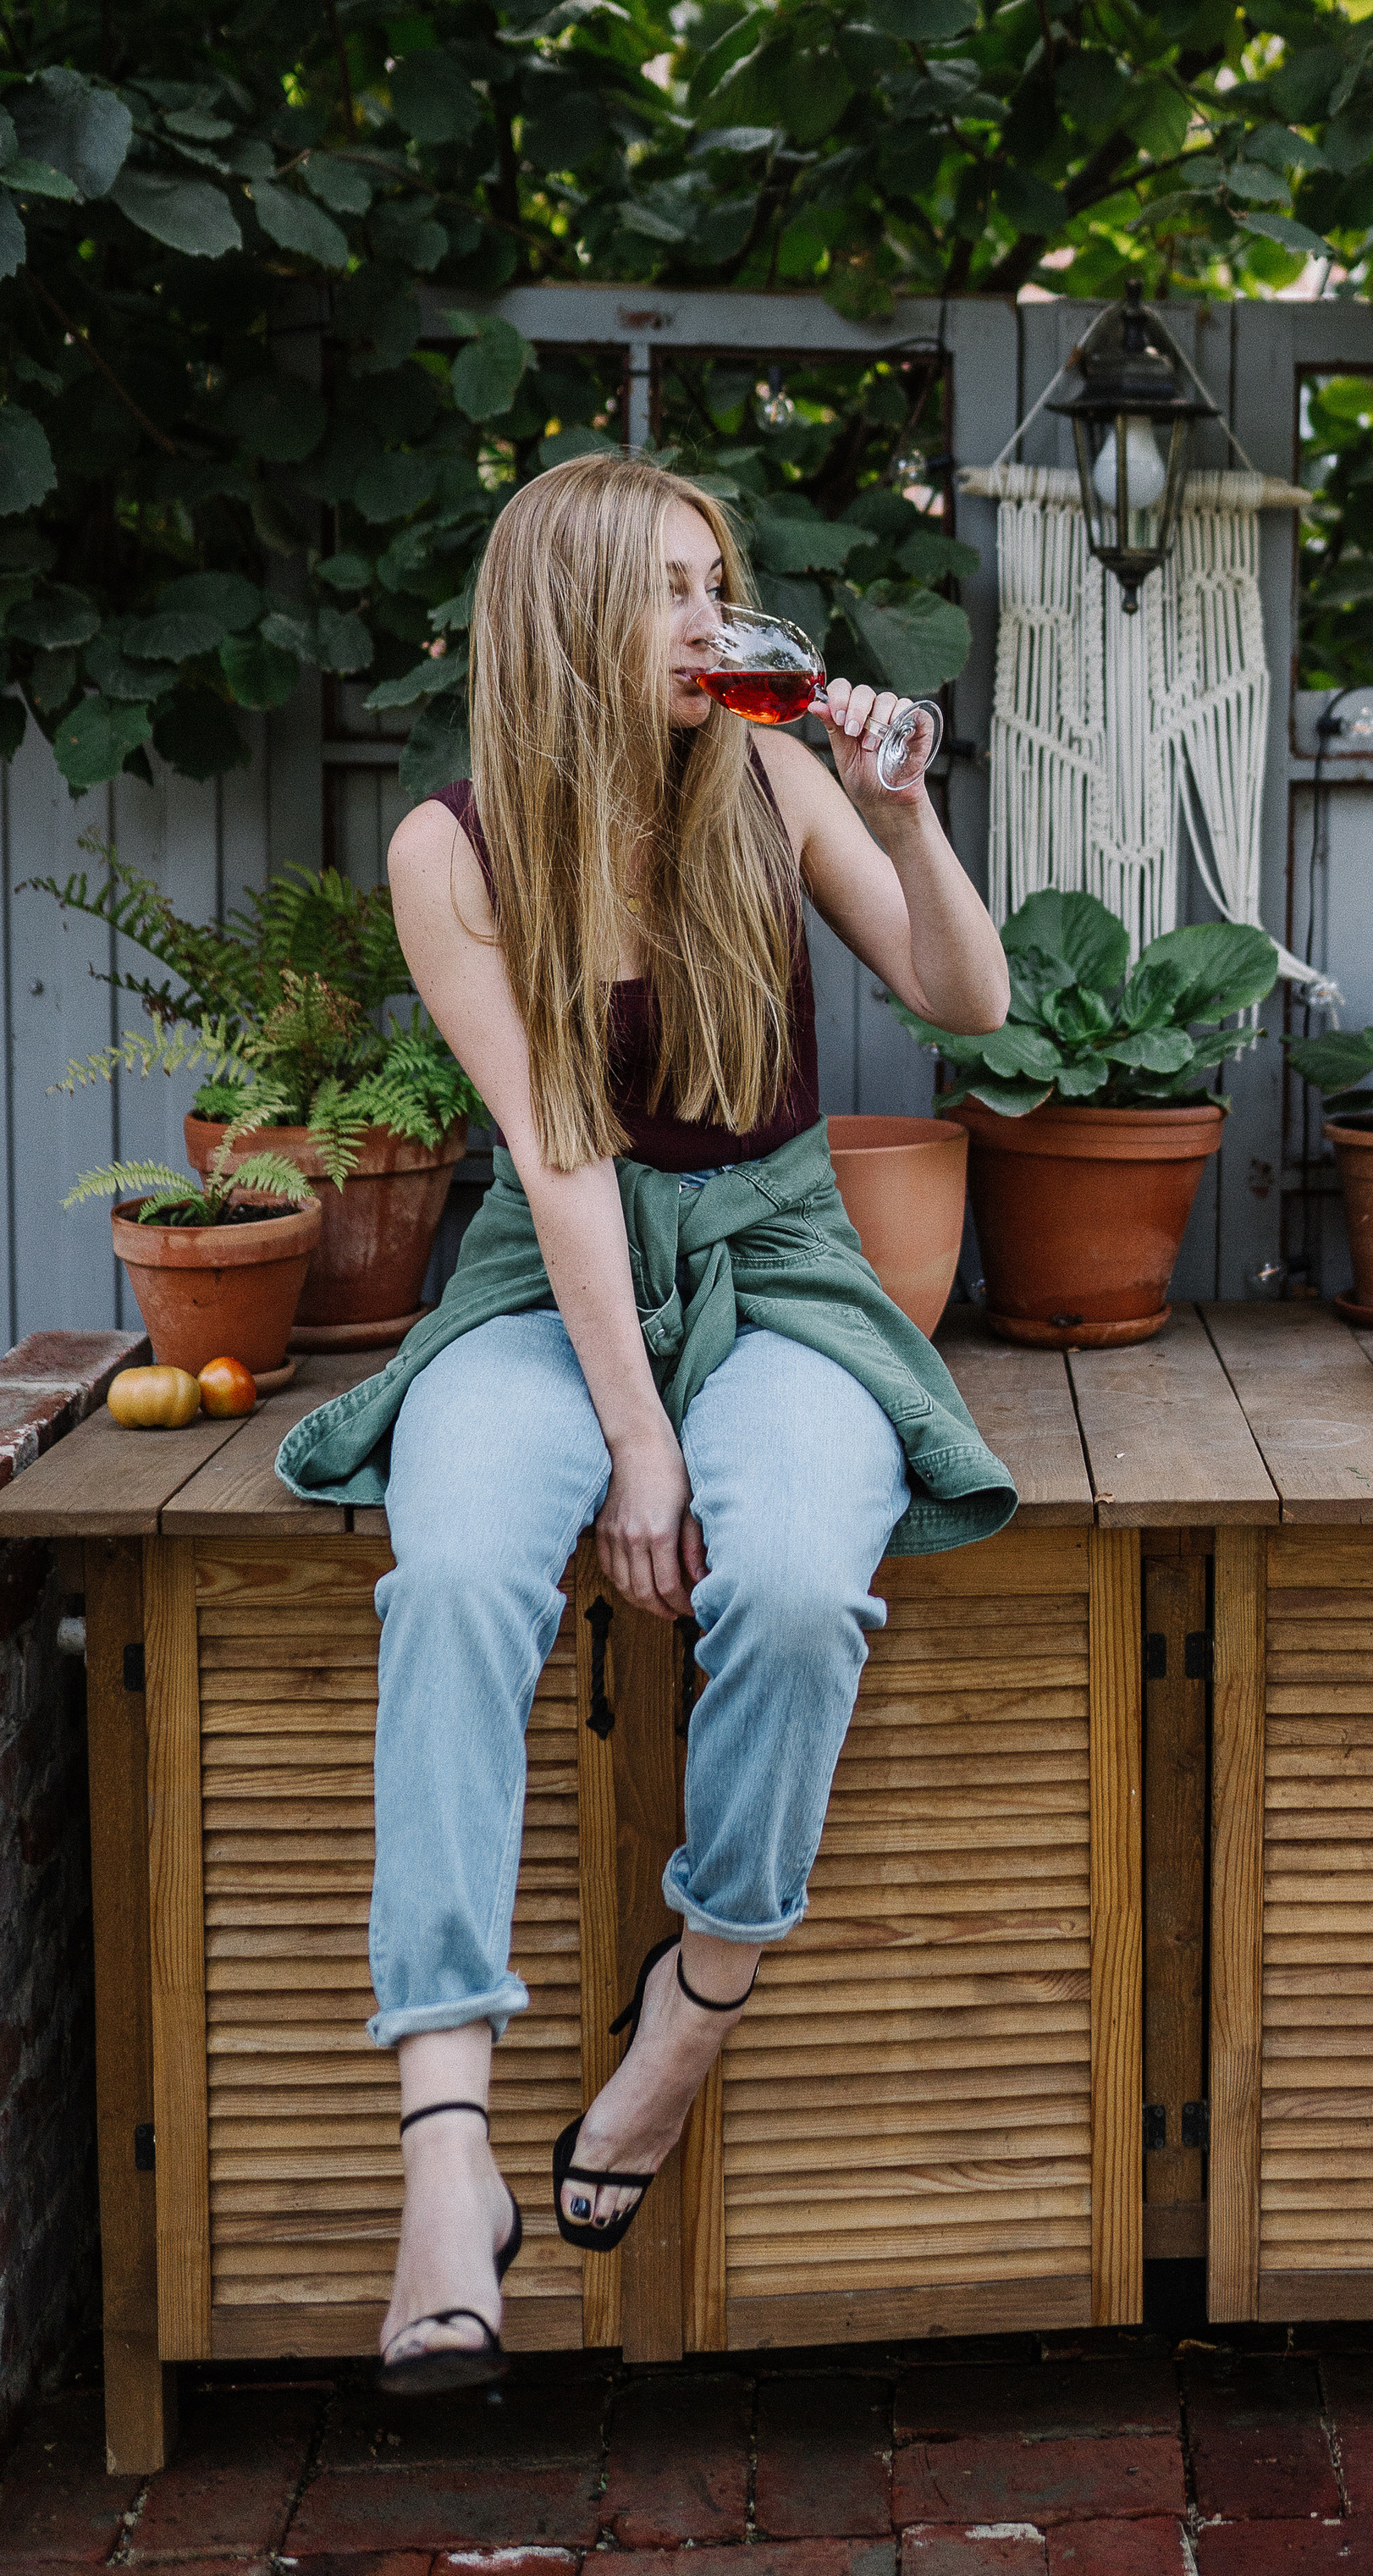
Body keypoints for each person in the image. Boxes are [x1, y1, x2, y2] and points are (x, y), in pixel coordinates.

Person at [276, 450, 1014, 2396]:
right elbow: (562, 1155)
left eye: (720, 587)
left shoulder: (768, 773)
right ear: (561, 613)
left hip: (775, 1262)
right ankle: (448, 2152)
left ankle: (696, 2000)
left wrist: (901, 812)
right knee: (449, 1576)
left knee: (784, 1589)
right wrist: (637, 1440)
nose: (714, 625)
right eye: (670, 594)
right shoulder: (454, 849)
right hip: (552, 1271)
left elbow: (968, 997)